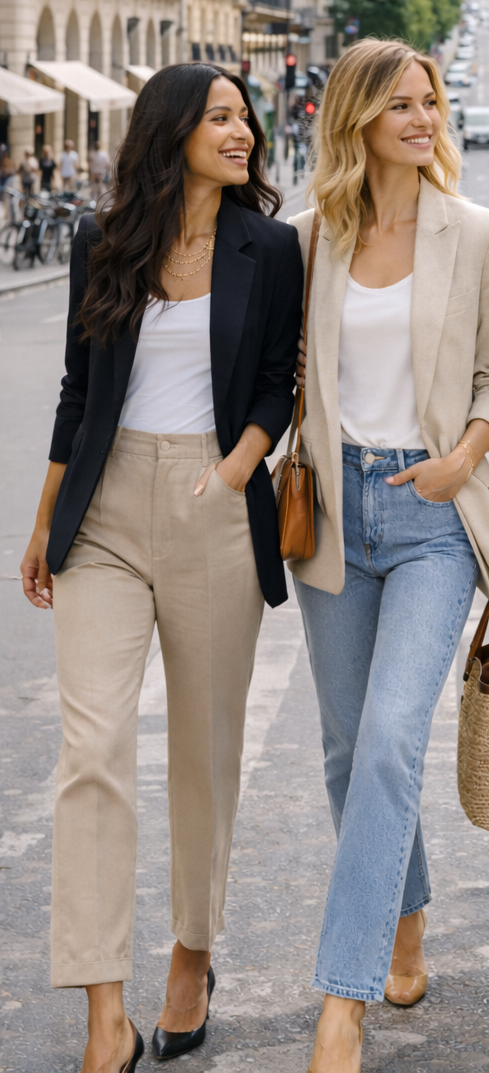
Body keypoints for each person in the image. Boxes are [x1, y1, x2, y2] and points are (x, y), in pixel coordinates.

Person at [19, 63, 303, 1073]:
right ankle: (104, 1005)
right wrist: (48, 519)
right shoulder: (107, 240)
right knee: (91, 748)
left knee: (202, 752)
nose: (244, 132)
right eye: (221, 116)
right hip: (104, 509)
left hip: (213, 504)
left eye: (246, 118)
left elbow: (281, 380)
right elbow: (73, 388)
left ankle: (192, 953)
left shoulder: (270, 248)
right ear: (172, 129)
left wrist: (231, 473)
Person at [287, 38, 489, 1073]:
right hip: (336, 510)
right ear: (357, 120)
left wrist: (462, 455)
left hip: (432, 515)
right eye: (402, 106)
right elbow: (283, 373)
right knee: (348, 752)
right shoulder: (307, 239)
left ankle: (341, 998)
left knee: (389, 738)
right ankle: (407, 913)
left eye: (430, 101)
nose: (425, 120)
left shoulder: (479, 233)